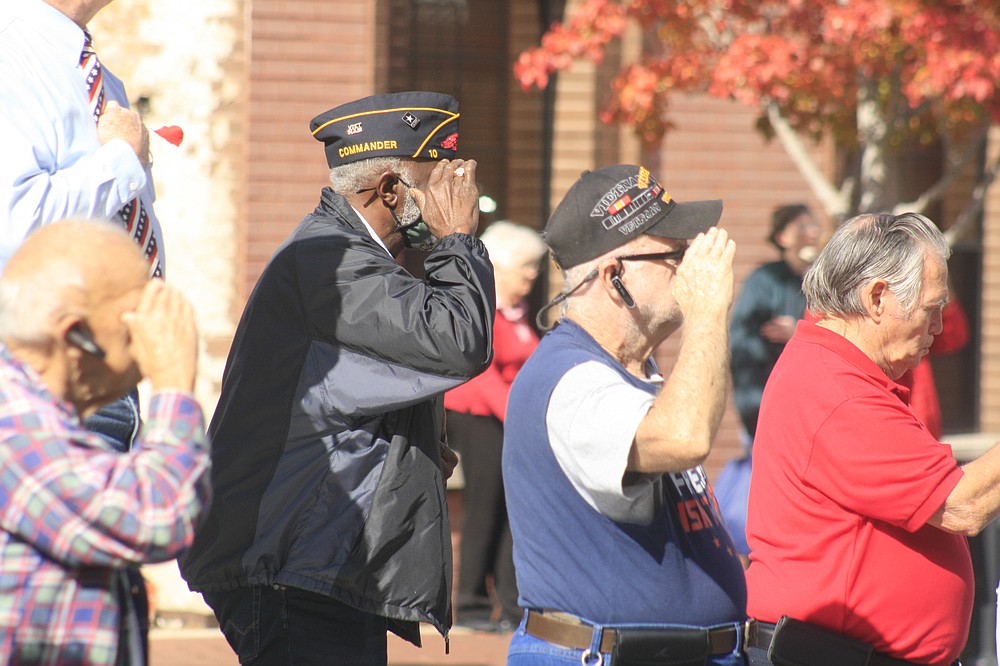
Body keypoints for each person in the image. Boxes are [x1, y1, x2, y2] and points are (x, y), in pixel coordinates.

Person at [178, 91, 496, 665]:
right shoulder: (331, 261)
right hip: (293, 564)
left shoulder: (352, 258)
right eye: (439, 180)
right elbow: (457, 342)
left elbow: (350, 399)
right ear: (391, 191)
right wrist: (457, 242)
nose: (458, 195)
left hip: (319, 562)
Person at [503, 164, 750, 666]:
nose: (690, 267)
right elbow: (684, 437)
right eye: (674, 255)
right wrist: (707, 313)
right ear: (615, 276)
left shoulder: (634, 373)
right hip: (607, 655)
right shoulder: (568, 378)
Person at [745, 212, 1000, 666]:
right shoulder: (835, 389)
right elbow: (964, 504)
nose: (938, 328)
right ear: (877, 297)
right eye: (930, 310)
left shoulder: (835, 372)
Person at [0, 0, 170, 648]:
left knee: (91, 616)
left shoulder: (90, 69)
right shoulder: (11, 49)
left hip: (100, 378)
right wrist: (123, 158)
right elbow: (16, 225)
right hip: (42, 378)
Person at [0, 219, 209, 666]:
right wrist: (174, 383)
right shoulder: (13, 426)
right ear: (76, 335)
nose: (154, 339)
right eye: (139, 324)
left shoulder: (35, 418)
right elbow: (155, 514)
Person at [444, 220, 546, 633]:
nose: (533, 274)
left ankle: (511, 605)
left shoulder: (519, 313)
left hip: (509, 421)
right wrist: (523, 416)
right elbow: (480, 374)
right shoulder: (480, 309)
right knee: (484, 509)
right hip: (478, 417)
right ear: (499, 268)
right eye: (525, 266)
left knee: (512, 511)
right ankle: (469, 604)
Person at [716, 204, 820, 555]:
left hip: (813, 410)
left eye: (813, 225)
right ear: (781, 237)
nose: (811, 232)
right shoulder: (765, 281)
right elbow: (743, 343)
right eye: (800, 226)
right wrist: (753, 407)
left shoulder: (822, 280)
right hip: (768, 406)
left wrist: (800, 330)